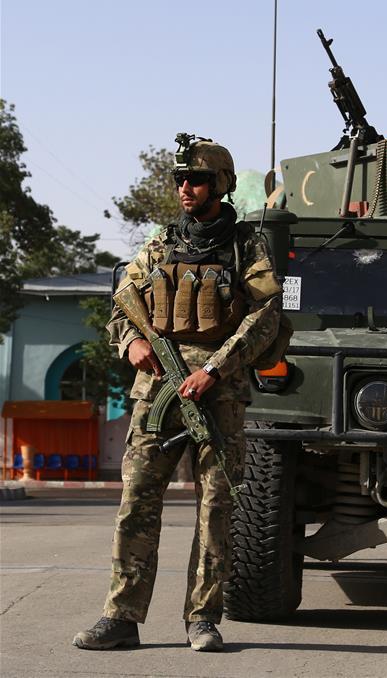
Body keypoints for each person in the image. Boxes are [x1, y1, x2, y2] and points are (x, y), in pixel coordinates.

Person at [73, 136, 282, 653]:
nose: (186, 188)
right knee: (136, 503)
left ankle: (203, 619)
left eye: (197, 180)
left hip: (219, 394)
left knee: (216, 508)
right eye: (180, 180)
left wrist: (214, 367)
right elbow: (122, 306)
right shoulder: (160, 244)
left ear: (221, 185)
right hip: (156, 392)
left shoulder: (246, 247)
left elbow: (265, 316)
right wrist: (132, 342)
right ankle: (121, 616)